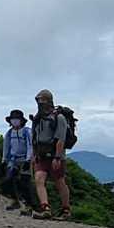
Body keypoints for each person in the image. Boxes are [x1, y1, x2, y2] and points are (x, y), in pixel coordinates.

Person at [31, 89, 71, 219]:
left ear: (49, 101)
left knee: (59, 182)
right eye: (39, 100)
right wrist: (34, 154)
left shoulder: (59, 118)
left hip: (55, 155)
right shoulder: (37, 118)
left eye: (43, 100)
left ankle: (66, 210)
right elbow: (34, 137)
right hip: (41, 155)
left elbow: (60, 139)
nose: (40, 103)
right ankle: (45, 208)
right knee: (39, 179)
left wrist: (57, 157)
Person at [1, 108, 33, 212]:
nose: (14, 121)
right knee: (8, 180)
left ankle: (28, 205)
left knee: (24, 182)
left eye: (17, 119)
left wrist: (28, 159)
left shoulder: (27, 132)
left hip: (24, 159)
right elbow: (6, 147)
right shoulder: (9, 133)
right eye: (13, 119)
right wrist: (4, 160)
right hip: (13, 160)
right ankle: (14, 200)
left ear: (21, 120)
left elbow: (30, 146)